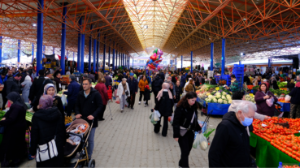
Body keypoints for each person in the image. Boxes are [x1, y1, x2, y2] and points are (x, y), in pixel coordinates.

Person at [209, 101, 256, 167]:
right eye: (250, 117)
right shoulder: (225, 127)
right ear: (239, 113)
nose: (251, 120)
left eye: (252, 117)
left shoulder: (243, 125)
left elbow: (244, 148)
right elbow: (214, 154)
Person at [30, 95, 65, 167]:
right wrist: (63, 143)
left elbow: (34, 136)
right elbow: (62, 129)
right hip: (57, 147)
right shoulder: (57, 112)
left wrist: (32, 151)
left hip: (44, 149)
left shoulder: (37, 116)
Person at [172, 92, 202, 168]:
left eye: (195, 100)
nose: (194, 102)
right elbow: (176, 122)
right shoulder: (180, 107)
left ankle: (181, 163)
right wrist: (176, 134)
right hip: (182, 132)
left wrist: (199, 128)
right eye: (192, 100)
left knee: (188, 150)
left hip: (191, 132)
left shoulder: (194, 106)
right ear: (187, 99)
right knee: (185, 151)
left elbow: (194, 119)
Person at [75, 78, 103, 158]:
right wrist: (77, 113)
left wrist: (93, 115)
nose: (84, 85)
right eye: (83, 84)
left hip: (91, 121)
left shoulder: (96, 94)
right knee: (81, 139)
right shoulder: (80, 94)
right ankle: (82, 152)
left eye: (86, 84)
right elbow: (76, 105)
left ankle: (89, 156)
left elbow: (100, 106)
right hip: (81, 120)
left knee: (90, 140)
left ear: (90, 85)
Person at [0, 92, 27, 167]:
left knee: (9, 145)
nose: (9, 100)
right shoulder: (21, 104)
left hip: (14, 129)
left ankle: (11, 161)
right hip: (20, 127)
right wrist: (5, 116)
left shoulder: (16, 107)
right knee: (18, 144)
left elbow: (11, 119)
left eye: (9, 99)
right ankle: (17, 160)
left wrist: (2, 122)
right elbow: (9, 113)